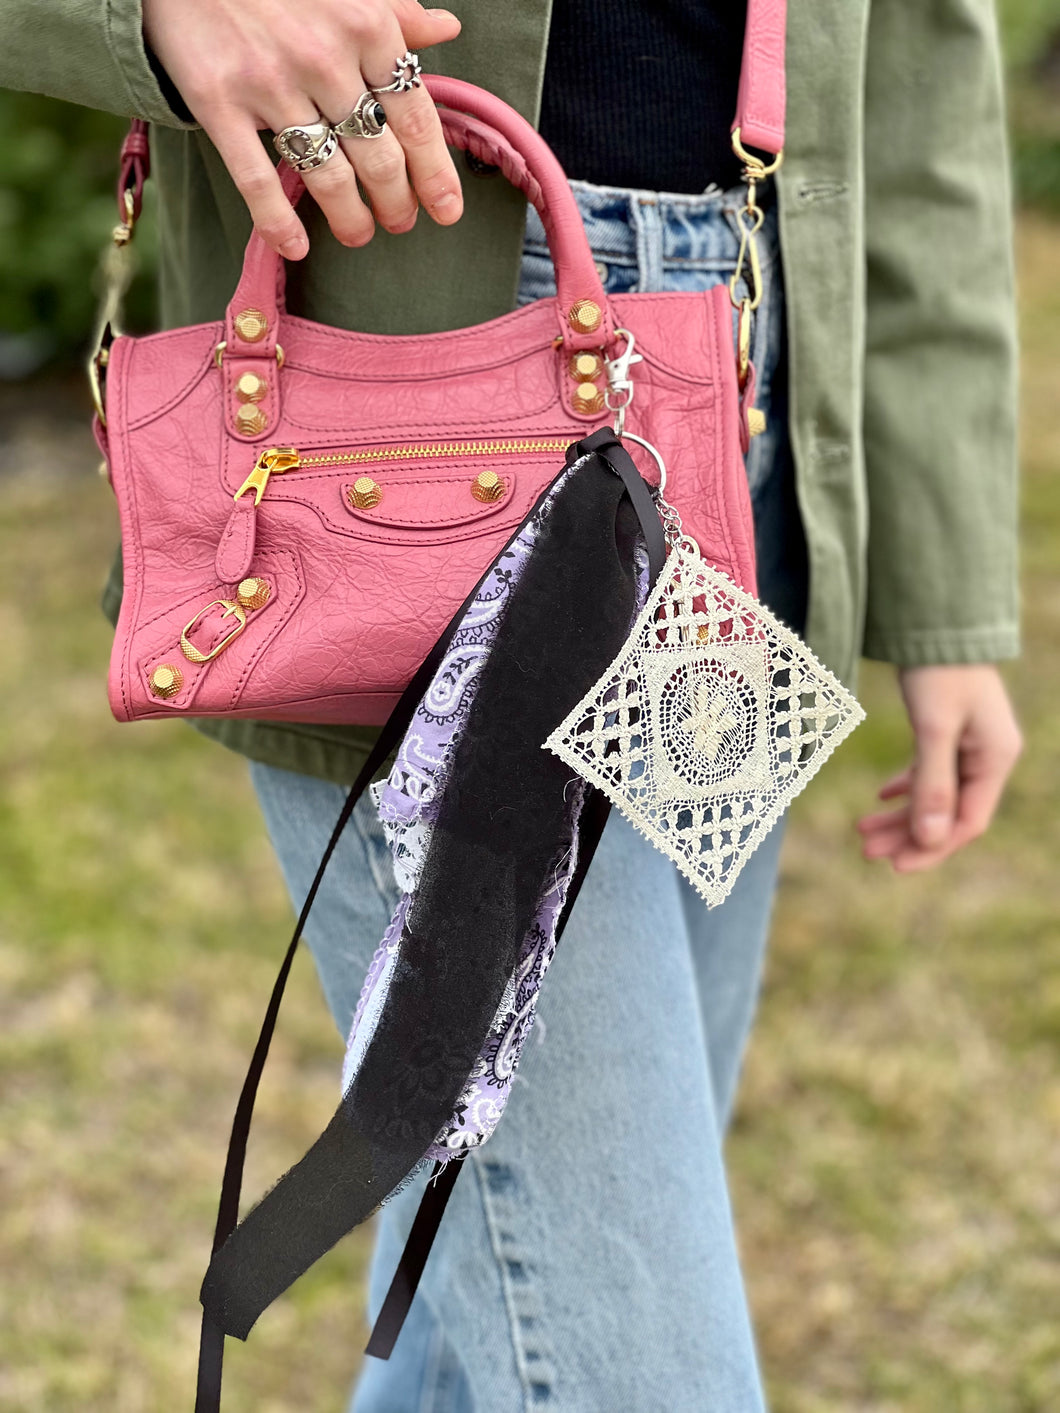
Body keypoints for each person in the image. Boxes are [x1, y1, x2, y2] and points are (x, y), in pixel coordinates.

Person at [2, 1, 1023, 1408]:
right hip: (396, 384)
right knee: (640, 1366)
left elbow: (919, 66)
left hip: (740, 400)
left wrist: (943, 576)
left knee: (491, 1321)